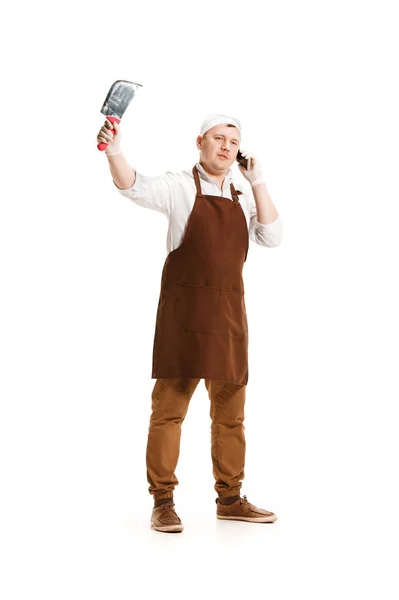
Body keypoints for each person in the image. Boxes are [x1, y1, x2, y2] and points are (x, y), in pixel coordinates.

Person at [97, 113, 283, 533]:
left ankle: (230, 499)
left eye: (233, 143)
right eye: (218, 138)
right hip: (184, 317)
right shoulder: (179, 185)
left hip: (230, 317)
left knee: (231, 417)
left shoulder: (243, 193)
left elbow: (272, 236)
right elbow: (134, 186)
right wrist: (115, 151)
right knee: (168, 413)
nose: (225, 147)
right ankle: (163, 501)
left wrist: (258, 181)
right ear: (200, 141)